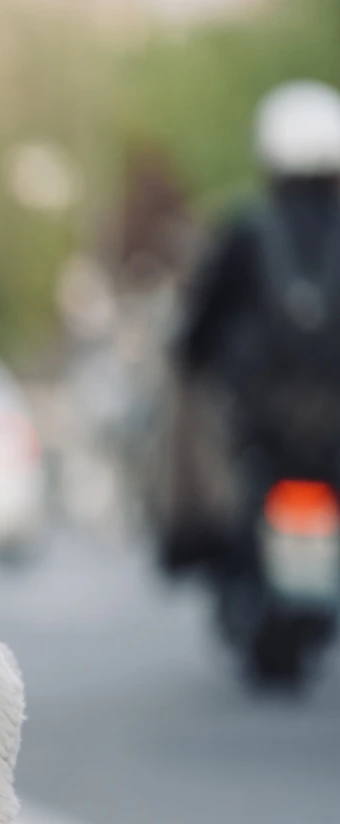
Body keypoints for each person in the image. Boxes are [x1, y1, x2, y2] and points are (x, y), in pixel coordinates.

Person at [169, 81, 340, 572]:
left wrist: (188, 355)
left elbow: (201, 326)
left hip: (259, 423)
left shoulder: (244, 229)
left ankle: (188, 537)